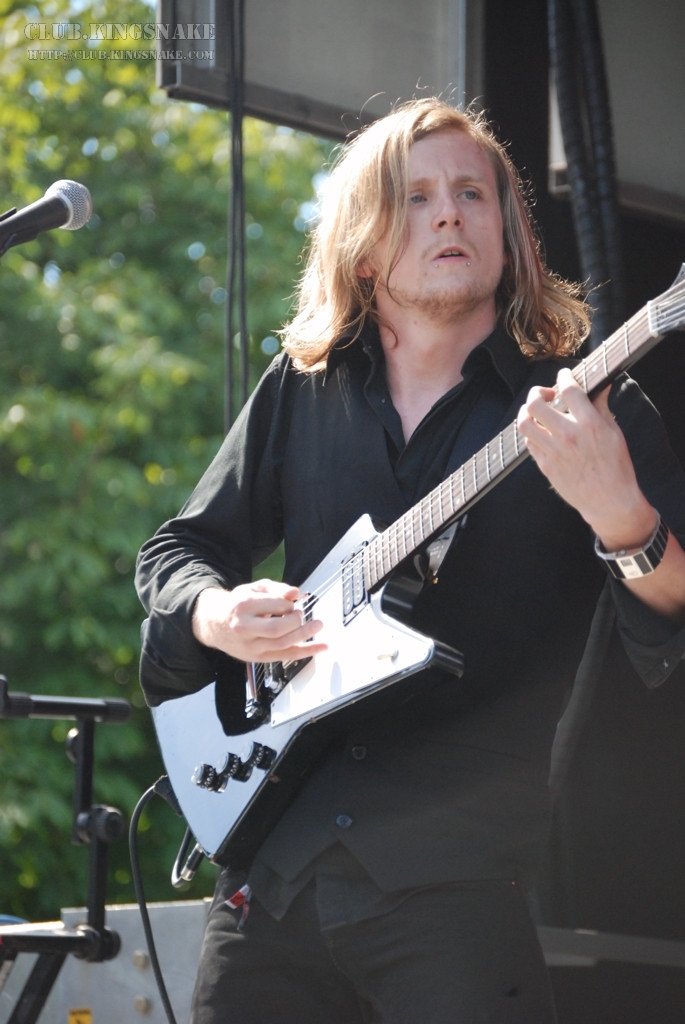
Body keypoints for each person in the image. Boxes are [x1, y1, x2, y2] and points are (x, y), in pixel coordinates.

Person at [135, 98, 685, 1023]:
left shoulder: (590, 403)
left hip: (457, 878)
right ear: (363, 246)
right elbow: (179, 550)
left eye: (472, 194)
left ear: (507, 236)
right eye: (415, 197)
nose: (447, 215)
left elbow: (674, 614)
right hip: (272, 870)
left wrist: (621, 516)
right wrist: (214, 613)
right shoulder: (302, 388)